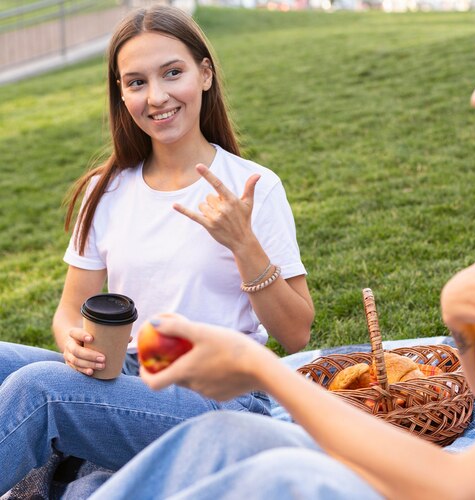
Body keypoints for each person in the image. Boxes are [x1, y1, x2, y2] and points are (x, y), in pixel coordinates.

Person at [87, 0, 475, 498]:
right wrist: (462, 330)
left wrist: (261, 368)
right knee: (227, 443)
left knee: (276, 471)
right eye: (135, 82)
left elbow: (469, 486)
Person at [0, 4, 314, 493]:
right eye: (136, 82)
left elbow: (296, 334)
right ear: (121, 93)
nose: (158, 96)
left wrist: (243, 243)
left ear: (204, 74)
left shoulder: (252, 187)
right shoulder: (105, 190)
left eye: (173, 73)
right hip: (125, 378)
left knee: (36, 391)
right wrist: (73, 344)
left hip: (219, 399)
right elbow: (67, 313)